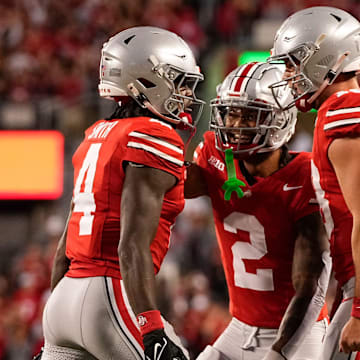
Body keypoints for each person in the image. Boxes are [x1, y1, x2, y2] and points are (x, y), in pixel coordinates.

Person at [39, 26, 204, 360]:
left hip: (63, 299)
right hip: (108, 293)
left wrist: (58, 313)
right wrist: (152, 327)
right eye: (179, 81)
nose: (186, 94)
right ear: (144, 81)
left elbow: (63, 250)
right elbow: (131, 245)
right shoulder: (153, 135)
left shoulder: (96, 134)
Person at [185, 61, 331, 360]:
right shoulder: (215, 155)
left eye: (250, 116)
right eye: (232, 113)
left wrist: (281, 351)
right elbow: (165, 187)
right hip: (240, 327)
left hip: (298, 333)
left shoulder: (305, 174)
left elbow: (310, 286)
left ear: (281, 119)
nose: (236, 126)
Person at [268, 6, 360, 358]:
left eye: (294, 64)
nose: (289, 75)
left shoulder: (342, 114)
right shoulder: (337, 112)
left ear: (328, 59)